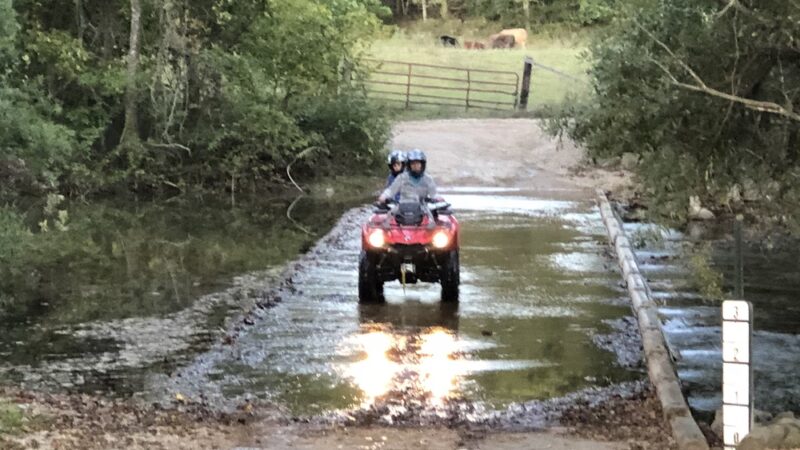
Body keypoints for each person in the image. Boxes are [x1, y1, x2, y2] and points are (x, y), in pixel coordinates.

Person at [378, 149, 438, 228]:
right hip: (401, 205)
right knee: (387, 221)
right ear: (409, 165)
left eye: (417, 163)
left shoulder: (428, 179)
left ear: (422, 164)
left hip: (422, 206)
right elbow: (391, 190)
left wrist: (436, 200)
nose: (415, 165)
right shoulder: (401, 177)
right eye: (413, 163)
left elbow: (434, 194)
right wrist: (384, 196)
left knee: (432, 224)